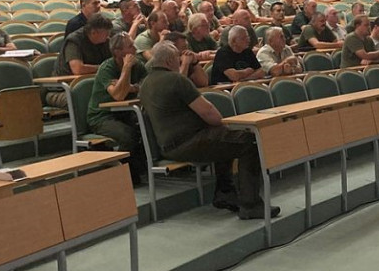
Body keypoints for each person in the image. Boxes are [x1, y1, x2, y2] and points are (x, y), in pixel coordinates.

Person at [140, 41, 278, 219]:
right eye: (177, 58)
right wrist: (224, 124)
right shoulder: (176, 80)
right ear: (168, 61)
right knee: (249, 141)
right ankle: (250, 205)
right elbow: (208, 112)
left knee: (226, 139)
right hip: (188, 141)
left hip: (168, 144)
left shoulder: (145, 84)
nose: (180, 62)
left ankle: (225, 193)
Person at [86, 33, 148, 184]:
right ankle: (119, 175)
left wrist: (132, 87)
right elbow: (119, 95)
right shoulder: (107, 68)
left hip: (125, 113)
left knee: (148, 125)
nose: (135, 49)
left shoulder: (138, 65)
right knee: (128, 135)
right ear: (118, 52)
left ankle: (142, 168)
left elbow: (147, 86)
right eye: (130, 46)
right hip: (102, 116)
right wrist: (126, 68)